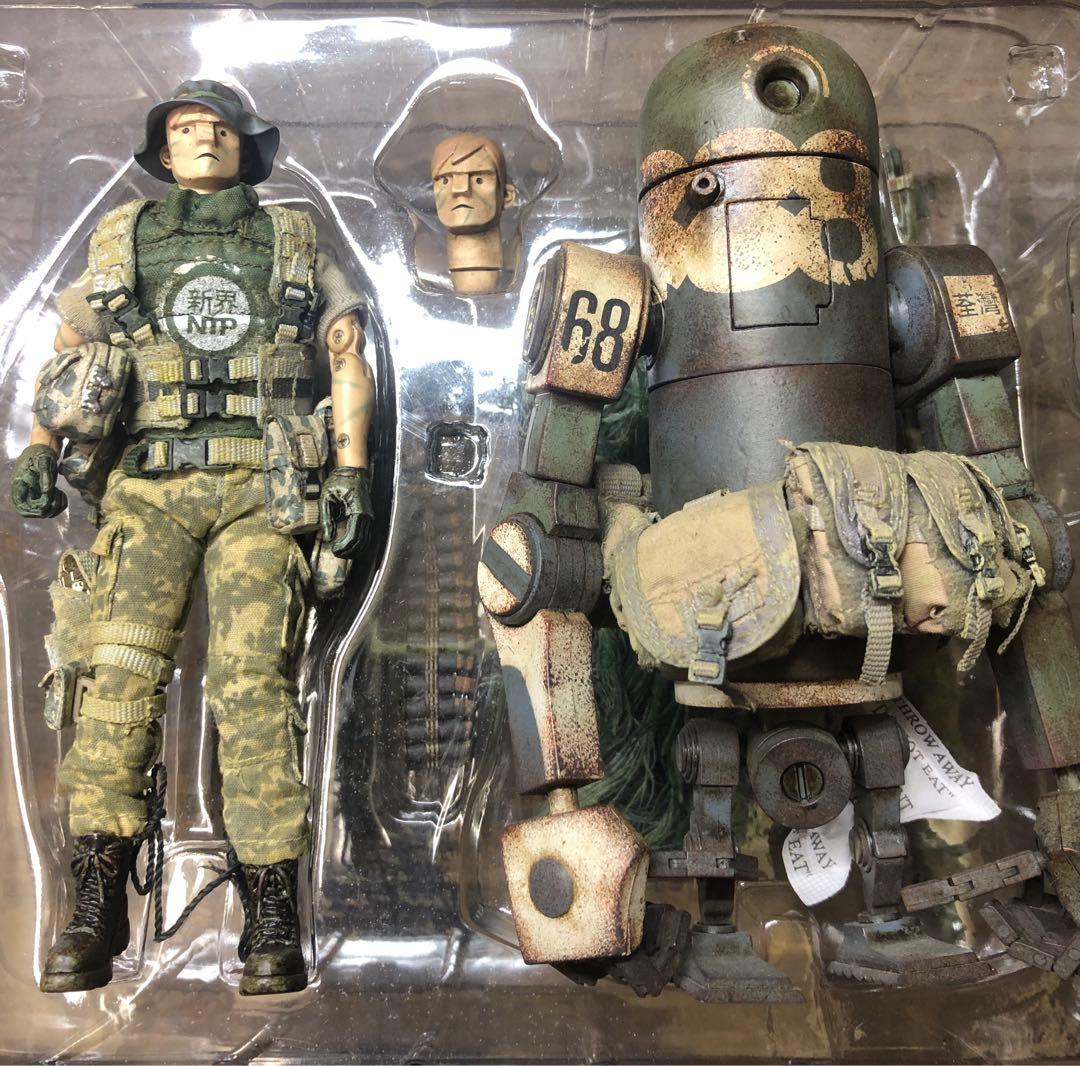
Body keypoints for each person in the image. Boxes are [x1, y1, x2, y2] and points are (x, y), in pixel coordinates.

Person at [11, 80, 375, 996]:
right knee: (116, 683)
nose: (204, 139)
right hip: (148, 488)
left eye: (219, 128)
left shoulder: (291, 241)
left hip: (262, 487)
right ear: (163, 152)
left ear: (248, 147)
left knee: (255, 690)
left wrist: (352, 472)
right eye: (185, 129)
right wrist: (40, 446)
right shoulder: (123, 242)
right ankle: (97, 902)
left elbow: (346, 356)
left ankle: (272, 911)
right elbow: (64, 359)